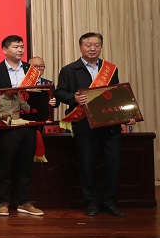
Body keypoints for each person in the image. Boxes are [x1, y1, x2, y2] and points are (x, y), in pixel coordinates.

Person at [55, 32, 133, 218]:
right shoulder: (69, 70)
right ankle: (91, 202)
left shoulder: (110, 69)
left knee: (113, 164)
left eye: (96, 45)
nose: (92, 48)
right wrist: (73, 98)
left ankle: (109, 202)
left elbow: (115, 94)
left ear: (101, 47)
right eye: (88, 45)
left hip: (110, 125)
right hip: (84, 125)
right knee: (86, 164)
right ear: (80, 47)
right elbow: (59, 92)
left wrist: (126, 115)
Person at [0, 35, 53, 217]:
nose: (20, 50)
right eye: (15, 47)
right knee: (5, 164)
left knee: (26, 165)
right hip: (7, 126)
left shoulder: (31, 70)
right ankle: (3, 202)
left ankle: (24, 202)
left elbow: (39, 94)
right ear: (5, 50)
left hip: (28, 124)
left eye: (21, 46)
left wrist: (49, 101)